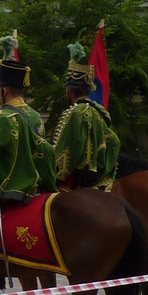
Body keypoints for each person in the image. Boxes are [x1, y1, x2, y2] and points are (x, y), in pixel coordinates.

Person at [0, 32, 55, 203]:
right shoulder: (36, 116)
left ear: (3, 90)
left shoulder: (3, 117)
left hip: (8, 189)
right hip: (34, 188)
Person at [51, 41, 119, 191]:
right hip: (97, 180)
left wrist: (49, 174)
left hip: (73, 182)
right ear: (89, 89)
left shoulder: (76, 112)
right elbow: (114, 141)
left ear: (69, 91)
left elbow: (66, 150)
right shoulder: (100, 114)